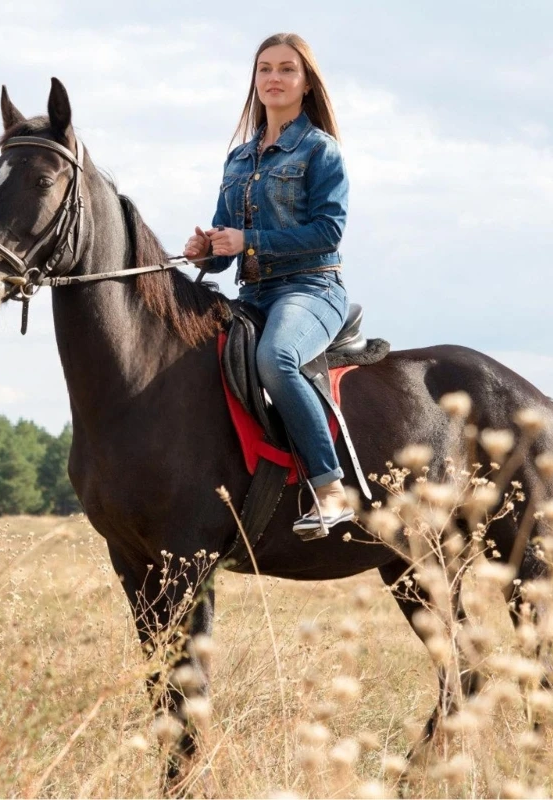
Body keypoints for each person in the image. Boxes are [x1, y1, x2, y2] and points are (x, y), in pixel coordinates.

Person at [184, 32, 353, 533]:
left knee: (276, 358)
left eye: (286, 69)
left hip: (311, 289)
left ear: (305, 84)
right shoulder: (238, 158)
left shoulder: (321, 150)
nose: (273, 78)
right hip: (252, 293)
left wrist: (248, 241)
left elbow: (328, 231)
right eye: (264, 69)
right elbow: (224, 243)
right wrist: (206, 250)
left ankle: (329, 489)